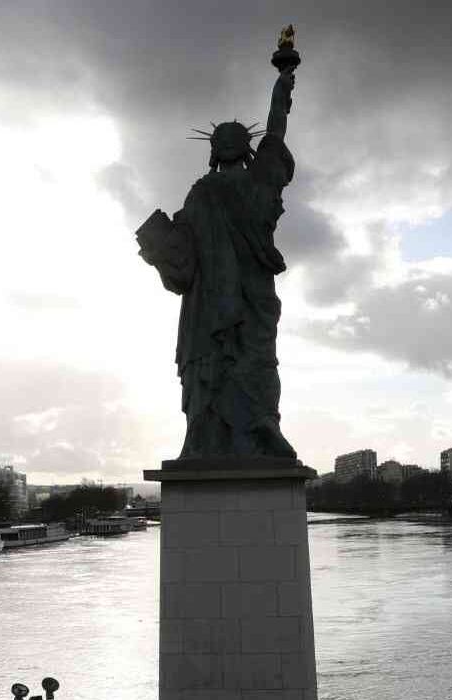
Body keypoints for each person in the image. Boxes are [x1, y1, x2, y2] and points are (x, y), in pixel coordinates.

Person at [137, 69, 299, 460]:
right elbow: (276, 132)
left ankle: (205, 436)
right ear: (248, 150)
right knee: (259, 361)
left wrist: (159, 243)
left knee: (210, 364)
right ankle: (260, 425)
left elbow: (182, 263)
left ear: (213, 151)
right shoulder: (261, 181)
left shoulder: (201, 194)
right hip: (254, 299)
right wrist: (281, 89)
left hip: (210, 306)